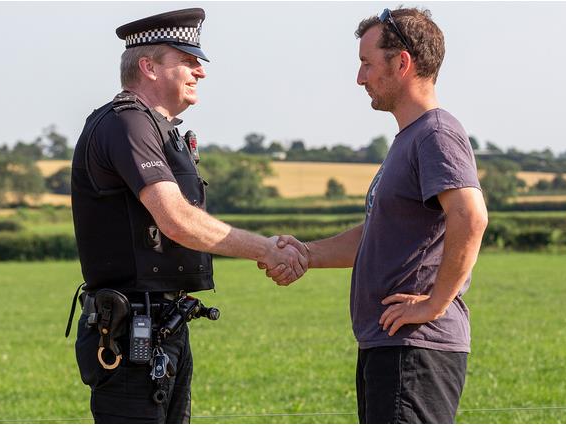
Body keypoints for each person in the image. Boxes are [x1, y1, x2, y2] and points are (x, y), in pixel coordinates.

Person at [68, 8, 306, 423]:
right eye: (188, 61)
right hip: (130, 334)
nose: (201, 71)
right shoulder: (127, 124)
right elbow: (176, 218)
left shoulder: (155, 127)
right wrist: (266, 249)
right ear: (149, 67)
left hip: (159, 326)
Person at [263, 7, 488, 424]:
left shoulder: (436, 134)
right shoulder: (412, 138)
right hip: (389, 345)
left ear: (402, 62)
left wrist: (435, 304)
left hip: (415, 347)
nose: (360, 78)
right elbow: (379, 233)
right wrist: (306, 254)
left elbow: (470, 216)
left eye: (367, 64)